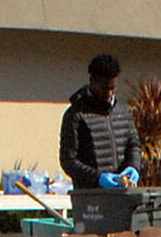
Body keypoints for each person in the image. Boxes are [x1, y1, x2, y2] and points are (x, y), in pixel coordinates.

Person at [59, 52, 142, 190]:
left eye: (113, 88)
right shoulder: (75, 115)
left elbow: (134, 145)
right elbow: (68, 161)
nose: (109, 94)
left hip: (122, 192)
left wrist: (134, 167)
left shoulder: (123, 109)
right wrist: (98, 178)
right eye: (105, 88)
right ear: (92, 80)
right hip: (90, 196)